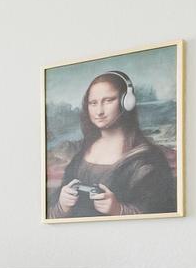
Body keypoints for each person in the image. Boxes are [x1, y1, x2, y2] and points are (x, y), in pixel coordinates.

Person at [50, 71, 177, 219]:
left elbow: (163, 216)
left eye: (108, 101)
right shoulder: (81, 153)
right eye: (93, 103)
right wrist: (62, 205)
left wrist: (119, 210)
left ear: (126, 103)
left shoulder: (148, 160)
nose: (99, 111)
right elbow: (51, 216)